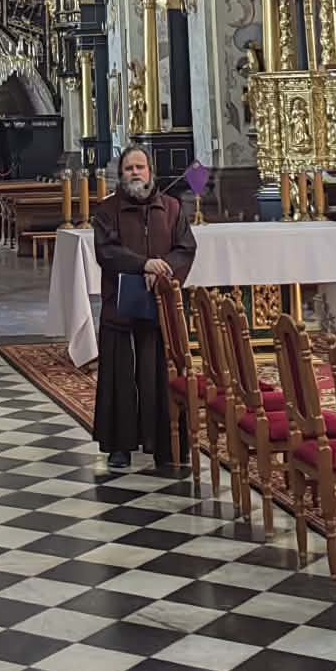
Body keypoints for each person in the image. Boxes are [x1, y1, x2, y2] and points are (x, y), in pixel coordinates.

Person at [91, 145, 196, 475]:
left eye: (140, 167)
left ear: (151, 171)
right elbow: (106, 252)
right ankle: (119, 445)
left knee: (159, 375)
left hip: (160, 304)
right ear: (121, 174)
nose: (135, 173)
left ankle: (164, 444)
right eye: (129, 168)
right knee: (120, 375)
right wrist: (143, 264)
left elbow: (186, 248)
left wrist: (162, 268)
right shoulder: (107, 210)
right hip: (120, 305)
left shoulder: (172, 208)